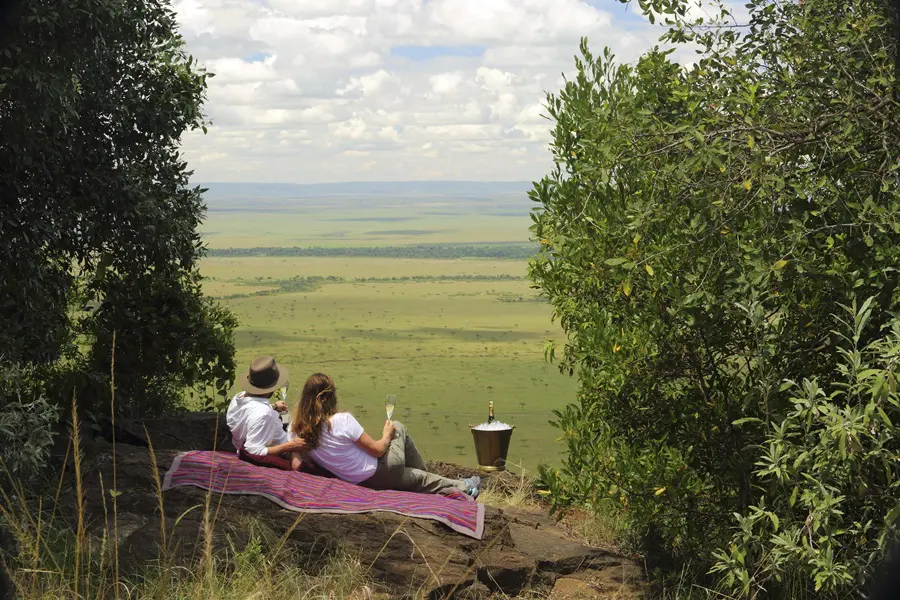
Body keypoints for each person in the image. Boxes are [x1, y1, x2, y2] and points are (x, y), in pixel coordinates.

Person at [290, 373, 480, 497]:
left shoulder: (297, 430)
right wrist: (387, 434)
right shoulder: (341, 420)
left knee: (418, 478)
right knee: (397, 426)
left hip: (364, 483)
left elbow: (296, 466)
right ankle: (465, 487)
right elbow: (378, 450)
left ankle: (465, 487)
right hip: (381, 469)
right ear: (331, 397)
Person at [226, 356, 306, 469]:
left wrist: (273, 406)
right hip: (282, 450)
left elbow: (251, 411)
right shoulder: (264, 414)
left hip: (253, 439)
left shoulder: (238, 397)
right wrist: (290, 446)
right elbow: (253, 450)